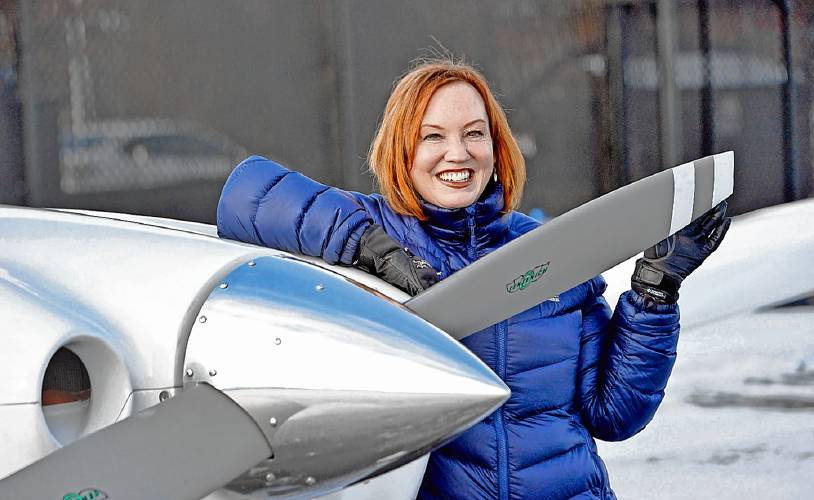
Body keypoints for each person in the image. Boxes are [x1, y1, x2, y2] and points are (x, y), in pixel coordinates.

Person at [216, 58, 730, 499]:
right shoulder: (366, 226)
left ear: (496, 145)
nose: (457, 154)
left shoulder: (550, 253)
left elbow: (614, 414)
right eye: (432, 136)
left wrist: (653, 294)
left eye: (474, 134)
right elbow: (246, 195)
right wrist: (368, 247)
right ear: (402, 149)